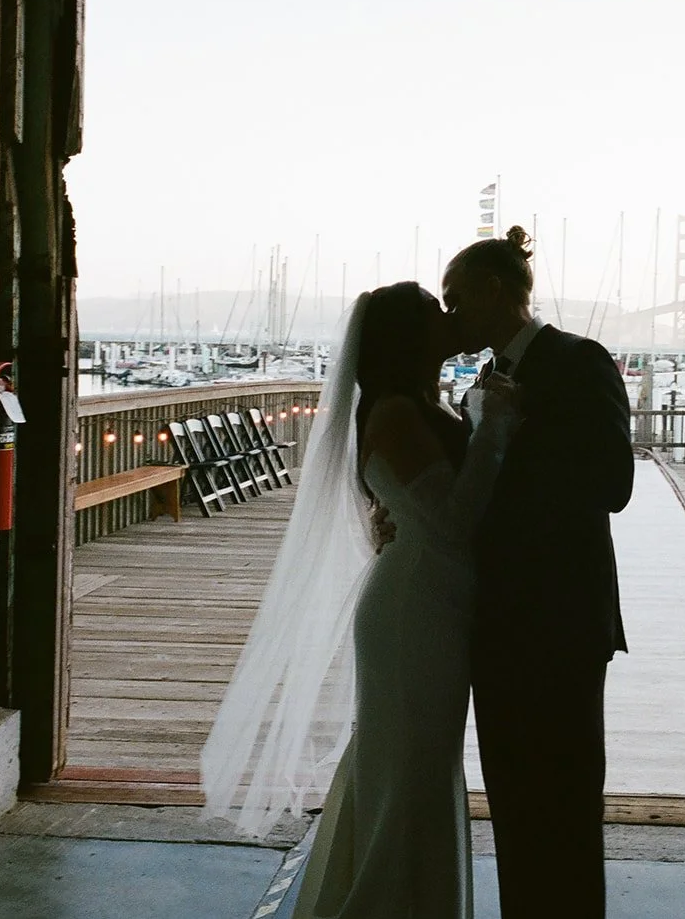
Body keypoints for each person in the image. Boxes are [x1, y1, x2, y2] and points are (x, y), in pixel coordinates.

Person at [200, 281, 523, 918]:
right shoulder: (397, 413)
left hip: (436, 597)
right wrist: (490, 427)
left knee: (412, 764)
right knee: (410, 769)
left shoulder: (416, 406)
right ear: (408, 336)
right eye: (436, 312)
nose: (449, 318)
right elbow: (454, 521)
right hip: (415, 608)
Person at [442, 225, 634, 919]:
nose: (450, 313)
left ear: (497, 291)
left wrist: (513, 438)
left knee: (569, 801)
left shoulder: (581, 360)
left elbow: (613, 482)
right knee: (513, 804)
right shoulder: (489, 376)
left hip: (563, 618)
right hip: (496, 619)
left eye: (456, 298)